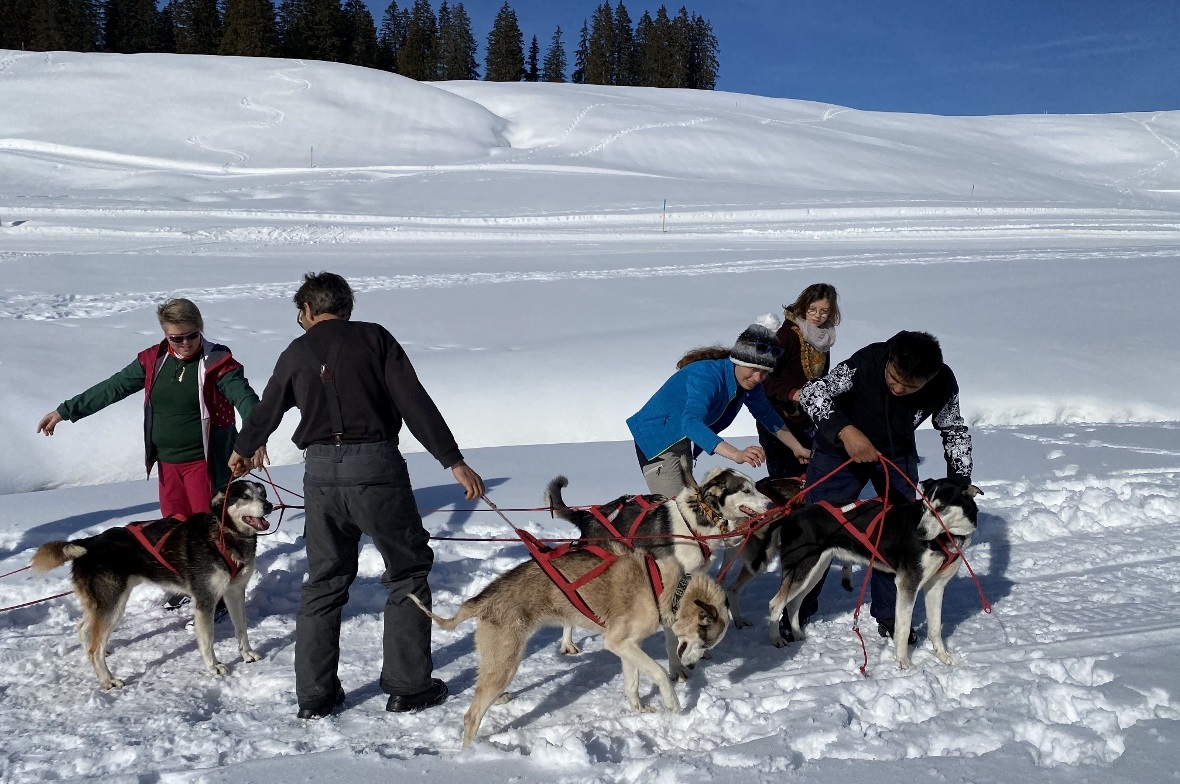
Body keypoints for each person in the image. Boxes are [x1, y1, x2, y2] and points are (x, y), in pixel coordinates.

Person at [229, 271, 485, 720]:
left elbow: (268, 408)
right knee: (407, 571)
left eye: (300, 315)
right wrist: (453, 460)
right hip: (377, 468)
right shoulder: (375, 339)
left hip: (321, 473)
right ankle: (409, 685)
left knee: (324, 581)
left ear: (307, 311)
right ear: (347, 306)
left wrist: (243, 448)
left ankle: (315, 695)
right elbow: (414, 401)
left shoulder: (296, 351)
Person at [796, 330, 972, 641]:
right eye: (893, 379)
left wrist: (959, 483)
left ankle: (890, 615)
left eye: (910, 386)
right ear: (889, 361)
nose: (898, 388)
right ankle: (796, 609)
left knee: (902, 535)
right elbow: (813, 393)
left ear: (929, 379)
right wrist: (845, 431)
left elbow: (954, 429)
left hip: (895, 452)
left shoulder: (943, 383)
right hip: (838, 449)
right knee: (817, 527)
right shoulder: (866, 362)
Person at [36, 298, 264, 518]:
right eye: (177, 338)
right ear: (166, 335)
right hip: (167, 464)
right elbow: (113, 387)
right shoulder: (154, 360)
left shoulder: (217, 362)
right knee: (173, 526)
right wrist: (65, 411)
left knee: (208, 526)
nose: (185, 343)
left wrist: (255, 438)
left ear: (200, 328)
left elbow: (244, 398)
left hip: (204, 464)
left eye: (192, 335)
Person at [627, 319, 812, 498]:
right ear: (739, 360)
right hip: (657, 439)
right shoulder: (707, 376)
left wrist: (798, 448)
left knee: (693, 503)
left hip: (681, 439)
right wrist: (737, 454)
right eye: (753, 368)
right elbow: (690, 423)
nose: (757, 377)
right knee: (676, 509)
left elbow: (768, 416)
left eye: (764, 372)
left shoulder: (748, 384)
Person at [758, 283, 840, 480]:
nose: (817, 316)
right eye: (812, 309)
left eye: (824, 311)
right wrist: (791, 392)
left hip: (806, 416)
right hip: (777, 416)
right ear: (803, 306)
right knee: (785, 479)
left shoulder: (823, 337)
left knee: (813, 472)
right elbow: (762, 376)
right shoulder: (786, 336)